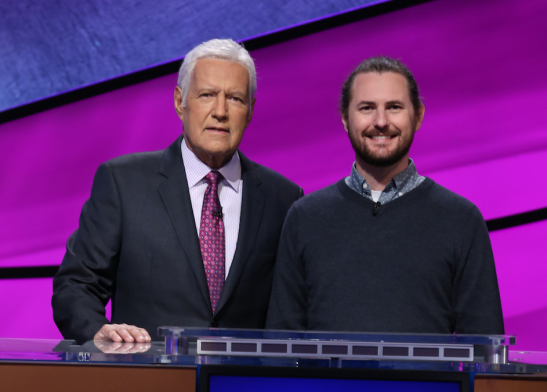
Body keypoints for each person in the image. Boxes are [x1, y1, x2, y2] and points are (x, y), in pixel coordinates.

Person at [52, 39, 303, 344]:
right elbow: (76, 285)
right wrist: (97, 332)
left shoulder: (284, 199)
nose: (220, 111)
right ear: (179, 102)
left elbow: (291, 311)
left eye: (235, 98)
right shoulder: (122, 183)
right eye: (207, 95)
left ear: (250, 110)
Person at [266, 57, 504, 334]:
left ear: (418, 116)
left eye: (394, 107)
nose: (381, 122)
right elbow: (281, 346)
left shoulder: (461, 220)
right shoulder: (304, 218)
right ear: (345, 118)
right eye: (367, 108)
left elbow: (485, 349)